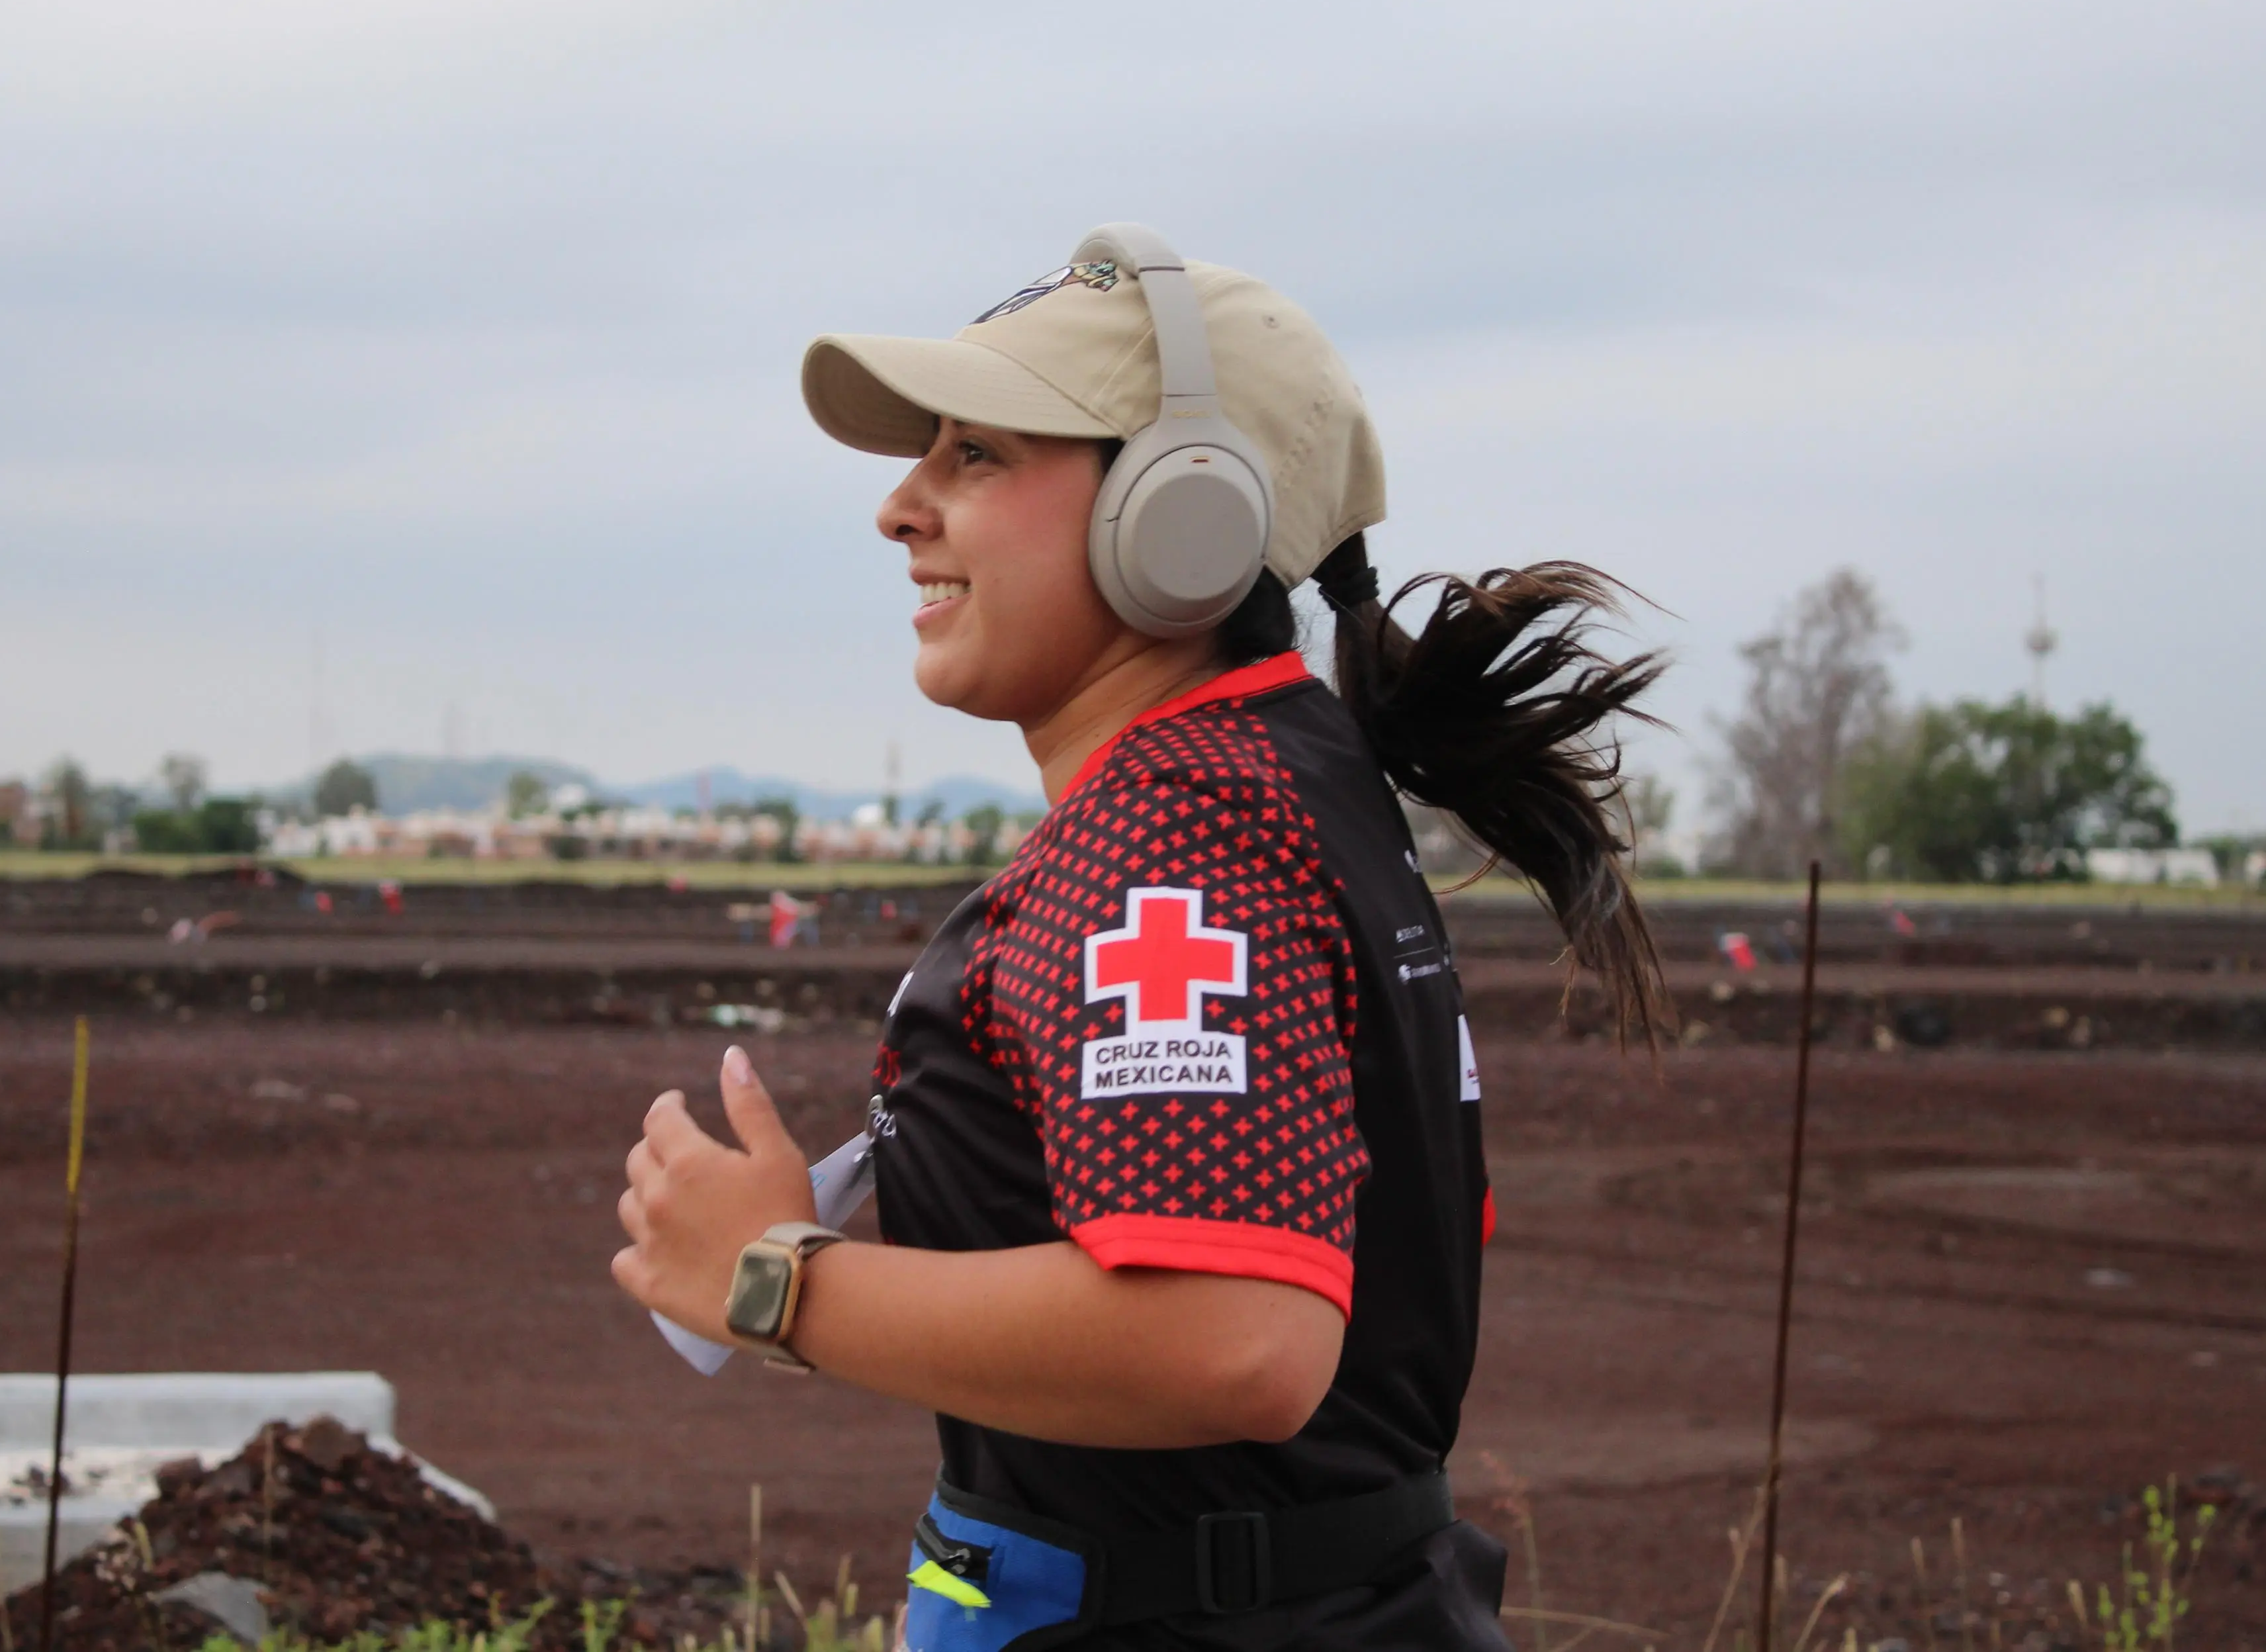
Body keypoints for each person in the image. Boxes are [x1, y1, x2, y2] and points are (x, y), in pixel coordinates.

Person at [613, 225, 1668, 1651]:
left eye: (976, 455)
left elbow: (1231, 1338)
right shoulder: (1281, 777)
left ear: (1182, 512)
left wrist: (778, 1281)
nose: (901, 509)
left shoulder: (1177, 831)